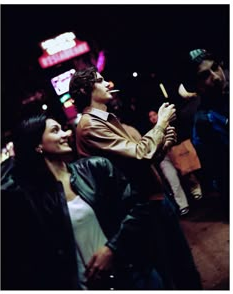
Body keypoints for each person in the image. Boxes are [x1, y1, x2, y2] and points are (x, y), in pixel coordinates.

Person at [69, 66, 202, 289]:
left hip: (154, 200)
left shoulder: (104, 118)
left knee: (181, 265)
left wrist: (164, 143)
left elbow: (136, 158)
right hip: (142, 207)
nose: (107, 84)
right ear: (85, 90)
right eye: (100, 81)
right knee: (174, 271)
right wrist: (160, 124)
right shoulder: (90, 125)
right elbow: (140, 154)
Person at [1, 114, 164, 290]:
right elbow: (3, 191)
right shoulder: (35, 197)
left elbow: (139, 208)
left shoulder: (95, 168)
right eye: (56, 131)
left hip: (133, 276)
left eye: (63, 129)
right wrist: (11, 160)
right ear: (37, 145)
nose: (66, 134)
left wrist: (112, 248)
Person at [184, 48, 229, 218]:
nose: (216, 77)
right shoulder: (204, 121)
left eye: (215, 67)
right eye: (205, 75)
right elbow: (218, 168)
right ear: (196, 85)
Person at [148, 110, 190, 215]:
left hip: (177, 152)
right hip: (164, 158)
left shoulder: (170, 124)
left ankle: (194, 192)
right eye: (150, 116)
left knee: (187, 173)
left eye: (154, 114)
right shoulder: (151, 133)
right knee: (173, 179)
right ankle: (183, 205)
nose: (153, 117)